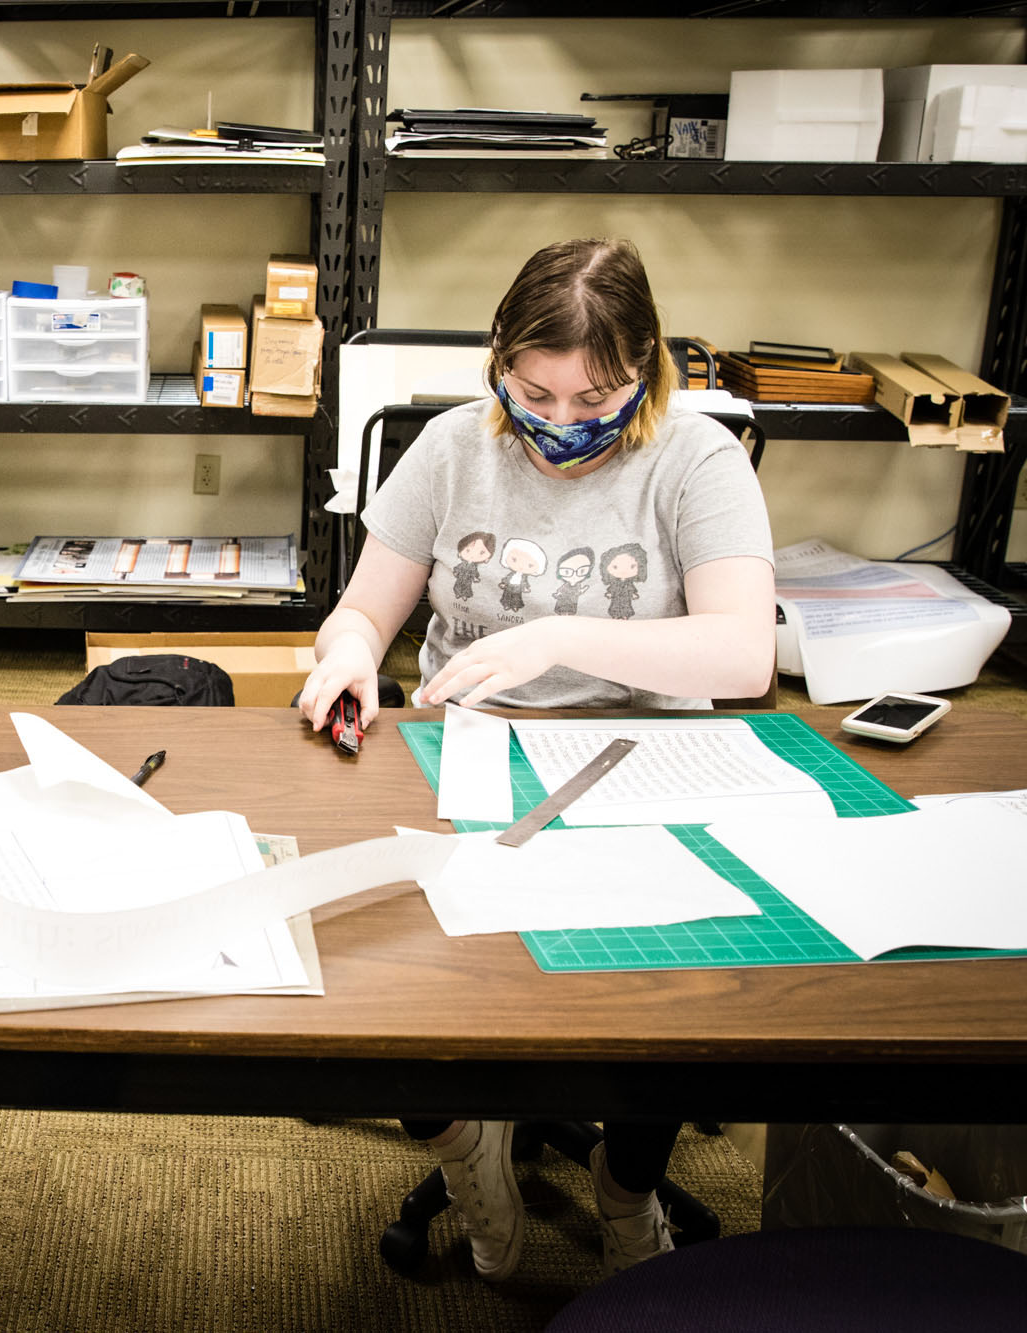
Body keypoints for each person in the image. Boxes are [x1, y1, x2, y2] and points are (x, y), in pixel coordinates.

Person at [298, 236, 774, 1279]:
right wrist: (342, 656)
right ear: (497, 359)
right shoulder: (453, 446)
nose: (561, 421)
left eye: (592, 395)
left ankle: (621, 1188)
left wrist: (557, 637)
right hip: (458, 748)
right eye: (534, 391)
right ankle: (466, 1155)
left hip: (639, 754)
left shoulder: (696, 459)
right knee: (384, 974)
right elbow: (362, 611)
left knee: (671, 1009)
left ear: (646, 364)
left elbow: (741, 653)